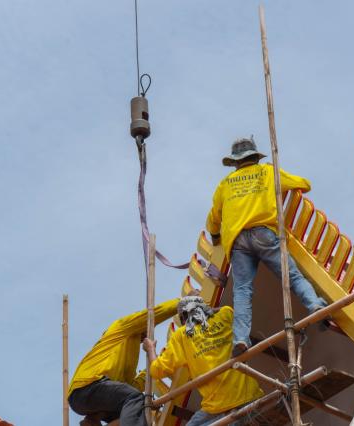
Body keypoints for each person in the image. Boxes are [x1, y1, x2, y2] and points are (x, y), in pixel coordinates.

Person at [206, 137, 326, 356]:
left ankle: (241, 339)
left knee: (242, 291)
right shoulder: (268, 173)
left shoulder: (225, 183)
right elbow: (304, 184)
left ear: (235, 162)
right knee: (292, 277)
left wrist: (215, 238)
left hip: (237, 241)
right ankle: (314, 305)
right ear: (255, 158)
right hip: (264, 233)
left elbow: (214, 218)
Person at [143, 295, 264, 426]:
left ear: (183, 317)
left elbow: (156, 370)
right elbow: (225, 309)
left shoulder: (182, 335)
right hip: (249, 395)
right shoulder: (225, 315)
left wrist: (150, 349)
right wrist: (204, 308)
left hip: (218, 405)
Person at [68, 298, 179, 426]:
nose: (145, 335)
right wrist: (180, 303)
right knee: (135, 400)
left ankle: (90, 422)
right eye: (144, 330)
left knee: (139, 411)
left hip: (92, 401)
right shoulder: (120, 329)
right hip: (87, 387)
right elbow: (152, 315)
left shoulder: (129, 358)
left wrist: (153, 359)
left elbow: (132, 386)